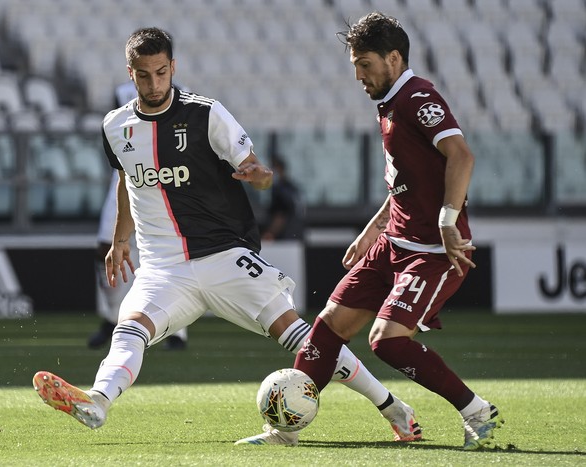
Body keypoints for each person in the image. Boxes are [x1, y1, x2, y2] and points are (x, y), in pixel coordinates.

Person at [33, 27, 421, 445]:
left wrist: (261, 177)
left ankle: (394, 409)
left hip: (223, 256)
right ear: (131, 74)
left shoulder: (206, 114)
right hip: (164, 266)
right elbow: (127, 181)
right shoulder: (116, 126)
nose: (154, 83)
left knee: (302, 337)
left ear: (172, 68)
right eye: (144, 75)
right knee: (129, 330)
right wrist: (121, 238)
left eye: (161, 73)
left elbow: (258, 170)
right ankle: (98, 401)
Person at [245, 12, 503, 450]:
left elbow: (461, 156)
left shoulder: (418, 96)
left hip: (432, 251)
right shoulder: (390, 102)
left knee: (386, 342)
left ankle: (476, 411)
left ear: (394, 58)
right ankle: (283, 432)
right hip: (392, 243)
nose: (359, 76)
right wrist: (374, 226)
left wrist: (446, 218)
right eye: (355, 67)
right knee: (326, 328)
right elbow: (408, 177)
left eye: (365, 64)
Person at [87, 78, 188, 351]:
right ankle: (111, 318)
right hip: (122, 180)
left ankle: (177, 330)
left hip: (162, 181)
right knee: (104, 249)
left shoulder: (182, 94)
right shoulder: (122, 91)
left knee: (169, 254)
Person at [260, 155, 305, 241]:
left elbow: (280, 215)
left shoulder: (280, 191)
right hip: (297, 236)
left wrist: (270, 233)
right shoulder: (293, 188)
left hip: (284, 238)